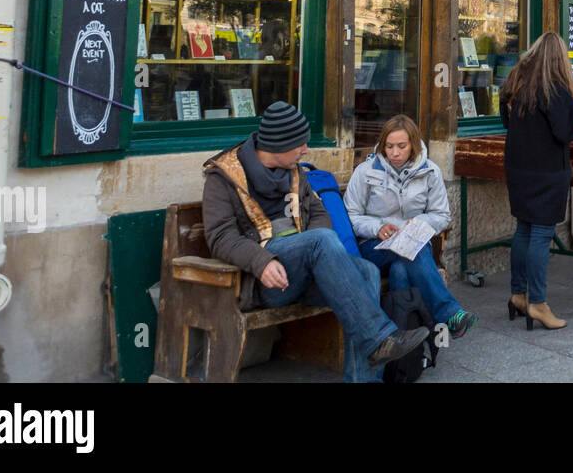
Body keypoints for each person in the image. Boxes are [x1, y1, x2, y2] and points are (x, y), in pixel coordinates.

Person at [201, 101, 428, 382]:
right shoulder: (223, 176)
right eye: (300, 144)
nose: (306, 150)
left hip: (309, 269)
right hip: (267, 279)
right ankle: (380, 337)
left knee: (366, 270)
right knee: (320, 240)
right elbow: (220, 236)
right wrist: (261, 261)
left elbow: (320, 214)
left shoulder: (295, 172)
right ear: (278, 144)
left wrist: (316, 248)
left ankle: (364, 379)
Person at [346, 114, 478, 339]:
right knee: (414, 252)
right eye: (389, 146)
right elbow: (352, 215)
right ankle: (449, 314)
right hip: (374, 247)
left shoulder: (430, 172)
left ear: (413, 145)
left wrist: (419, 223)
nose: (394, 153)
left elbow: (441, 215)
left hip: (410, 246)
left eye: (401, 146)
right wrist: (377, 227)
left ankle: (405, 335)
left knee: (402, 266)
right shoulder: (365, 171)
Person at [499, 31, 573, 330]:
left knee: (523, 229)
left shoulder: (515, 85)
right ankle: (538, 303)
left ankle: (518, 294)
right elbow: (565, 132)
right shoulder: (556, 89)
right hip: (547, 171)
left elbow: (507, 122)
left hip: (518, 168)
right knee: (540, 234)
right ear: (560, 59)